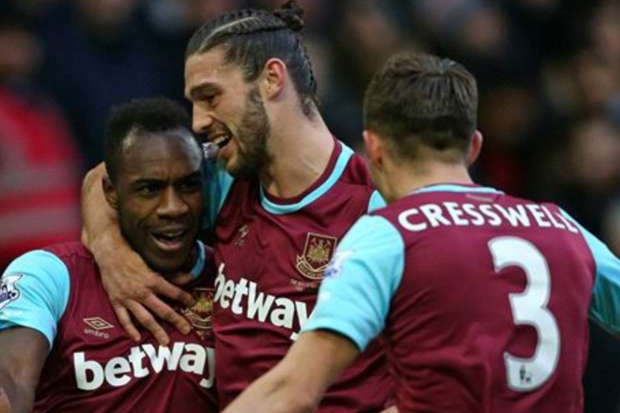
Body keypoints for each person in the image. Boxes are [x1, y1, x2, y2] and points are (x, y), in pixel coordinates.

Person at [222, 52, 620, 413]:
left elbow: (294, 391)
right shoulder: (561, 227)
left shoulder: (387, 235)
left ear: (374, 149)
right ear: (474, 147)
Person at [81, 1, 394, 411]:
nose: (197, 121)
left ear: (271, 79)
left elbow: (435, 379)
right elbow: (104, 180)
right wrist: (112, 255)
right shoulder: (225, 178)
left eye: (210, 97)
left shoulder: (376, 206)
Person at [0, 98, 216, 413]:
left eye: (188, 186)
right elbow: (12, 379)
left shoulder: (230, 277)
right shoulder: (49, 275)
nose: (173, 207)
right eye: (149, 189)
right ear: (111, 193)